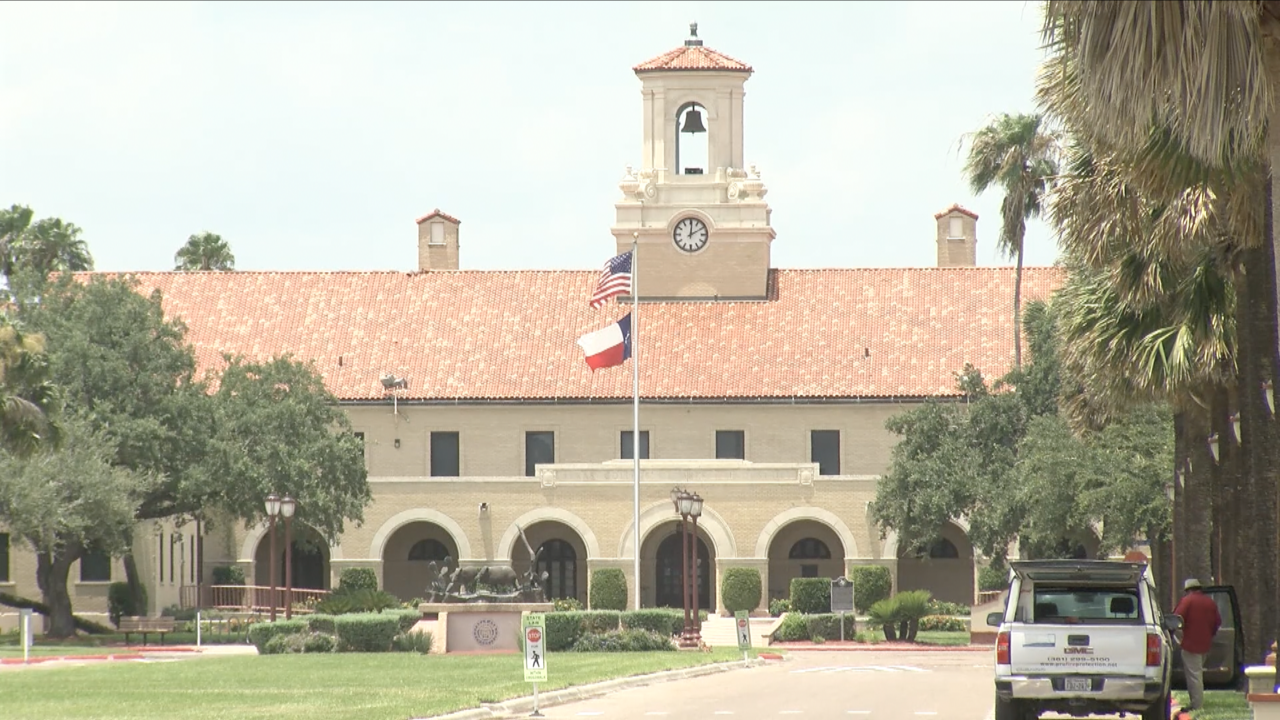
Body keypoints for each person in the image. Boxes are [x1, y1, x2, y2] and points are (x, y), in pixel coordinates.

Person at [1173, 578, 1221, 711]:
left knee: (1194, 676)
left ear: (1187, 590)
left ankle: (1196, 704)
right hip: (1206, 645)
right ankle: (1196, 702)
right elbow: (1217, 622)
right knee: (1197, 674)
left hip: (1190, 644)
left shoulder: (1187, 601)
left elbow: (1176, 618)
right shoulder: (1210, 602)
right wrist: (1210, 634)